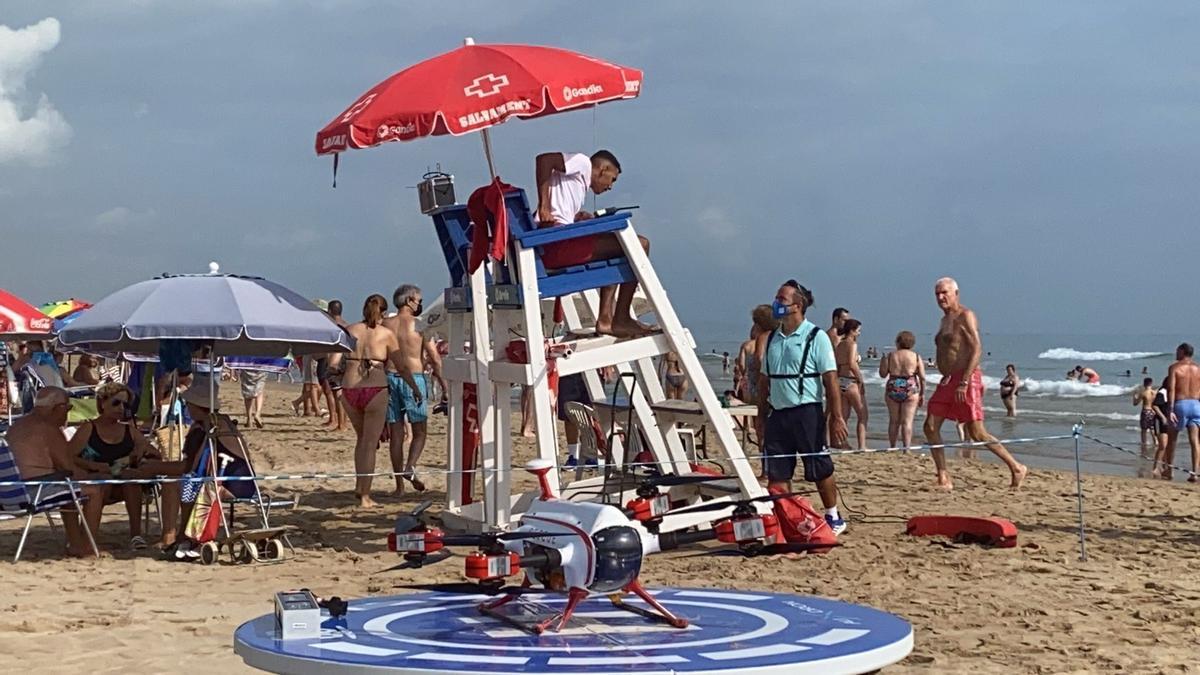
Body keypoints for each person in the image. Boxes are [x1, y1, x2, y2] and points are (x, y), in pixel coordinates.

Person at [755, 280, 848, 535]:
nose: (776, 303)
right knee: (777, 470)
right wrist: (760, 415)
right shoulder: (772, 338)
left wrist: (836, 417)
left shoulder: (816, 337)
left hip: (806, 411)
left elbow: (830, 379)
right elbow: (764, 380)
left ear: (797, 306)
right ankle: (785, 517)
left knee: (819, 466)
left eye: (781, 300)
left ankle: (833, 516)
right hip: (778, 413)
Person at [535, 150, 654, 338]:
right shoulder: (583, 163)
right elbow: (544, 160)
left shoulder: (576, 183)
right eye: (612, 179)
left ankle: (607, 319)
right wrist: (544, 206)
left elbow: (560, 208)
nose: (610, 187)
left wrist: (575, 218)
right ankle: (620, 318)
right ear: (602, 169)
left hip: (555, 243)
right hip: (556, 246)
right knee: (640, 244)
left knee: (619, 249)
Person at [923, 278, 1027, 490]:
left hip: (965, 379)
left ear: (955, 293)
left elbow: (976, 349)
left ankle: (1016, 467)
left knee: (977, 432)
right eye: (937, 294)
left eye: (944, 293)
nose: (940, 297)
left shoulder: (965, 316)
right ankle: (943, 478)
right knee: (930, 426)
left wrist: (963, 382)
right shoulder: (944, 320)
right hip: (948, 379)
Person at [331, 295, 419, 508]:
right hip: (376, 389)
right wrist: (415, 388)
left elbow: (333, 363)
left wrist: (337, 385)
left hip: (350, 388)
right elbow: (402, 367)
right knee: (370, 444)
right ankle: (365, 496)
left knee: (361, 440)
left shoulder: (350, 331)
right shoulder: (386, 334)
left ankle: (359, 486)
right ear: (383, 312)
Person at [66, 382, 175, 550]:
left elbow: (154, 454)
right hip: (98, 483)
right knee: (106, 481)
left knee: (130, 479)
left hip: (123, 484)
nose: (121, 408)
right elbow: (69, 457)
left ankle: (136, 535)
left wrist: (140, 451)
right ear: (102, 403)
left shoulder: (129, 431)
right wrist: (94, 465)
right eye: (116, 403)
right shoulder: (88, 429)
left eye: (125, 404)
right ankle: (87, 537)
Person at [4, 387, 106, 557]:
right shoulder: (48, 428)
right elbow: (69, 469)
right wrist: (100, 476)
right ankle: (86, 546)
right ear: (57, 408)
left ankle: (75, 542)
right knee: (94, 490)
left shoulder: (17, 426)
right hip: (33, 492)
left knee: (68, 487)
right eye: (68, 408)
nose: (67, 413)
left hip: (9, 493)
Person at [383, 285, 445, 494]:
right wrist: (445, 386)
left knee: (396, 433)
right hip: (414, 378)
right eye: (419, 300)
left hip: (390, 377)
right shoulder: (419, 325)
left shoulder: (385, 324)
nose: (420, 304)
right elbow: (435, 359)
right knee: (419, 431)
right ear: (410, 300)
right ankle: (410, 466)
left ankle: (399, 486)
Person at [878, 331, 926, 451]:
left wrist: (883, 362)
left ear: (898, 342)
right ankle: (906, 448)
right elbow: (923, 377)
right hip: (910, 386)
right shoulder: (915, 356)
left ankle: (893, 446)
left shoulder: (891, 355)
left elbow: (883, 374)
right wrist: (922, 393)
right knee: (907, 421)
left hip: (893, 385)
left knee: (894, 420)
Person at [1166, 343, 1200, 483]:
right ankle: (1194, 472)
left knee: (1172, 439)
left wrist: (1170, 409)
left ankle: (1170, 469)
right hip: (1196, 404)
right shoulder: (1198, 368)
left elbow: (1171, 389)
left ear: (1182, 351)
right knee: (1195, 441)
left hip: (1181, 404)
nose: (1176, 353)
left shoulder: (1175, 367)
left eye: (1177, 351)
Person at [834, 319, 868, 449]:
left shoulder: (840, 344)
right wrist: (860, 380)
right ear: (852, 331)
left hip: (841, 380)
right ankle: (862, 446)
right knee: (863, 416)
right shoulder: (852, 344)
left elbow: (837, 364)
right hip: (851, 381)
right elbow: (852, 363)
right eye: (858, 330)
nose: (859, 333)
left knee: (844, 416)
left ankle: (842, 442)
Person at [323, 299, 348, 432]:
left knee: (336, 393)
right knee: (341, 392)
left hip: (334, 361)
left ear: (330, 311)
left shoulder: (331, 325)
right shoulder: (346, 325)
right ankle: (342, 422)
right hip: (345, 361)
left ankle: (341, 423)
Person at [1150, 377, 1175, 479]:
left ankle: (1165, 468)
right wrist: (1163, 417)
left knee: (1169, 446)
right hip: (1160, 421)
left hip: (1170, 422)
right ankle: (1156, 467)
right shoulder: (1163, 392)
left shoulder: (1173, 393)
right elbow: (1155, 406)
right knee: (1163, 445)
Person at [1133, 377, 1158, 451]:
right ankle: (1156, 442)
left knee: (1144, 429)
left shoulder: (1143, 393)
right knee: (1152, 429)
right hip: (1153, 411)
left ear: (1144, 384)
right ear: (1151, 383)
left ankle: (1144, 443)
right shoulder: (1154, 393)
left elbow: (1135, 403)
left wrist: (1134, 396)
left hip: (1145, 411)